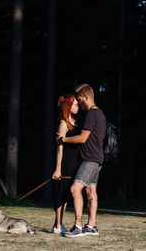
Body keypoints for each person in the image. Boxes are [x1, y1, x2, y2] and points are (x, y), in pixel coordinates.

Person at [56, 84, 106, 237]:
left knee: (74, 189)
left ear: (86, 97)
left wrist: (63, 139)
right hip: (98, 158)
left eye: (79, 100)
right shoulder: (100, 114)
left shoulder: (91, 114)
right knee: (91, 191)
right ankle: (91, 226)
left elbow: (83, 138)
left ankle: (78, 226)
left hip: (90, 158)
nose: (79, 104)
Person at [51, 93, 80, 234]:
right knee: (61, 193)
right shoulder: (63, 123)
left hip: (74, 161)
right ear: (68, 107)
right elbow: (59, 148)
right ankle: (57, 225)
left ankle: (59, 223)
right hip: (66, 162)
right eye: (75, 105)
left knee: (67, 193)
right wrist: (58, 169)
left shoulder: (74, 120)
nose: (78, 107)